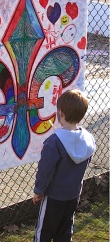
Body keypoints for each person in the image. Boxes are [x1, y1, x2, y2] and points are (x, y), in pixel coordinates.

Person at [33, 89, 96, 242]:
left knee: (44, 231)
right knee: (65, 230)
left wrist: (39, 190)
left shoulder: (54, 142)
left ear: (60, 112)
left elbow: (45, 171)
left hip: (53, 196)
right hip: (73, 195)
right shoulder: (88, 139)